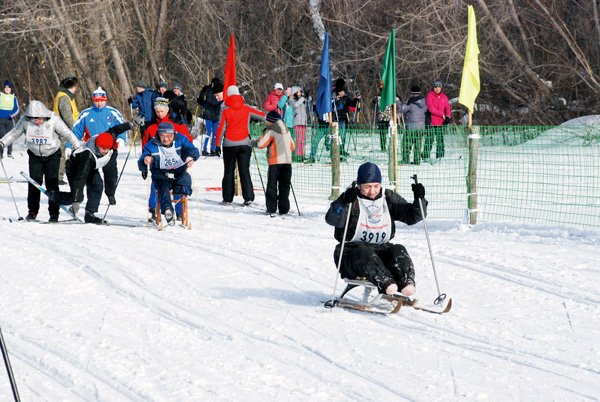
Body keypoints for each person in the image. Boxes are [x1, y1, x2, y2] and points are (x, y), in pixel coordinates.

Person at [325, 162, 426, 296]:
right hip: (351, 254)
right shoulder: (351, 198)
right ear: (359, 185)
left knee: (398, 249)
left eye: (376, 186)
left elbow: (412, 216)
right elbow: (332, 219)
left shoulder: (388, 198)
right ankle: (385, 281)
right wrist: (343, 201)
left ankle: (406, 281)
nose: (372, 191)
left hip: (381, 250)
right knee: (364, 251)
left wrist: (419, 200)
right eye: (367, 187)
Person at [0, 101, 81, 222]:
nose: (36, 122)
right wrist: (2, 143)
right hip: (35, 156)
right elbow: (14, 133)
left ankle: (54, 213)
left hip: (52, 155)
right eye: (33, 120)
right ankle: (32, 211)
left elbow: (67, 133)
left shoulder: (53, 119)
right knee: (34, 183)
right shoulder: (24, 120)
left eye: (38, 119)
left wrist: (78, 148)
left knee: (52, 184)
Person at [50, 123, 133, 224]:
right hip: (75, 168)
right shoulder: (87, 155)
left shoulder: (107, 137)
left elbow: (116, 129)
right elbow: (80, 179)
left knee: (97, 185)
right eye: (103, 149)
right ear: (97, 145)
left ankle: (90, 214)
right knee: (77, 196)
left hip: (91, 167)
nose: (106, 151)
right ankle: (55, 196)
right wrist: (76, 201)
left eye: (108, 148)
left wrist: (131, 124)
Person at [71, 87, 128, 206]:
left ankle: (110, 193)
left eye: (101, 100)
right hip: (91, 150)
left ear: (105, 100)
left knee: (110, 173)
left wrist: (121, 139)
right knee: (90, 175)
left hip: (109, 149)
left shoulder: (113, 113)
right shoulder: (86, 114)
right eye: (96, 100)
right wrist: (69, 145)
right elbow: (76, 131)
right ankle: (91, 198)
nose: (99, 103)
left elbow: (121, 127)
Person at [142, 97, 194, 221]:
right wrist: (144, 163)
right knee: (157, 183)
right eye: (157, 111)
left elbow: (188, 141)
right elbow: (145, 146)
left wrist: (186, 155)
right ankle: (155, 210)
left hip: (177, 162)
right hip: (158, 163)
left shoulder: (177, 124)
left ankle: (180, 211)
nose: (159, 114)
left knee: (180, 184)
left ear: (167, 110)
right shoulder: (150, 126)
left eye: (162, 111)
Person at [138, 122, 199, 226]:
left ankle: (180, 212)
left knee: (185, 182)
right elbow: (142, 160)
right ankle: (167, 209)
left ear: (173, 134)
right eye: (162, 136)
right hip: (161, 174)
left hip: (179, 172)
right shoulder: (151, 144)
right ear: (158, 135)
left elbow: (193, 150)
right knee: (163, 188)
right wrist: (146, 160)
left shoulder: (181, 139)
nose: (166, 139)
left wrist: (190, 156)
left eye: (168, 136)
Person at [216, 85, 265, 205]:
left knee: (228, 171)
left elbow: (221, 128)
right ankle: (248, 197)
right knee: (244, 170)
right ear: (239, 94)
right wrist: (253, 119)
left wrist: (217, 144)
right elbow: (263, 116)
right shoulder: (247, 107)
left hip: (229, 144)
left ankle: (227, 198)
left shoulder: (224, 108)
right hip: (244, 144)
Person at [253, 111, 294, 215]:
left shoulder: (270, 131)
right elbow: (292, 146)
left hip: (275, 162)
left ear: (270, 121)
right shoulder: (287, 130)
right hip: (287, 162)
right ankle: (284, 209)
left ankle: (271, 209)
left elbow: (261, 144)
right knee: (284, 186)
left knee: (272, 186)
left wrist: (252, 142)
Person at [423, 80, 451, 161]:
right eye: (436, 87)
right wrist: (442, 114)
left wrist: (448, 116)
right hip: (431, 121)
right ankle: (425, 156)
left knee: (440, 139)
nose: (437, 89)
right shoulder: (430, 96)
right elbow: (431, 109)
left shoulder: (444, 97)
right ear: (433, 88)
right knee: (429, 139)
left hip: (440, 122)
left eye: (439, 87)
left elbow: (447, 107)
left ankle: (440, 157)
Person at [398, 85, 427, 165]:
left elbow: (401, 109)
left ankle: (405, 159)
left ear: (411, 93)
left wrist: (398, 101)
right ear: (419, 93)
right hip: (421, 127)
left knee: (407, 144)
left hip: (411, 126)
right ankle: (417, 160)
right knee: (418, 144)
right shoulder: (424, 101)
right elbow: (426, 110)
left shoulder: (410, 101)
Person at [198, 78, 224, 156]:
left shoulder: (219, 91)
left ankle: (213, 149)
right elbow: (201, 100)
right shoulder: (207, 90)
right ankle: (204, 149)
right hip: (208, 114)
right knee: (208, 132)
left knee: (215, 132)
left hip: (216, 114)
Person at [371, 82, 393, 152]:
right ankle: (386, 147)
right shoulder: (390, 97)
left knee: (384, 133)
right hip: (387, 117)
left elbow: (371, 106)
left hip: (383, 117)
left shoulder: (377, 98)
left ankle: (384, 147)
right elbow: (372, 106)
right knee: (388, 133)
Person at [0, 80, 19, 158]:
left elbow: (17, 109)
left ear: (11, 89)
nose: (7, 89)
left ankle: (9, 152)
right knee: (1, 135)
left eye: (8, 87)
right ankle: (1, 153)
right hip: (1, 118)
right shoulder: (1, 96)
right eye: (6, 87)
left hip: (9, 119)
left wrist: (13, 115)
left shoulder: (13, 98)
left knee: (10, 136)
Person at [289, 86, 307, 162]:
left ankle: (302, 154)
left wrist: (307, 96)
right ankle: (298, 154)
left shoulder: (301, 100)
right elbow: (295, 105)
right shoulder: (292, 100)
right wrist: (302, 98)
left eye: (301, 92)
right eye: (299, 92)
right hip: (297, 122)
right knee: (298, 139)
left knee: (302, 140)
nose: (300, 93)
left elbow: (308, 101)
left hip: (303, 122)